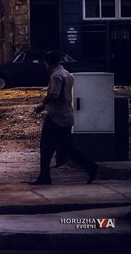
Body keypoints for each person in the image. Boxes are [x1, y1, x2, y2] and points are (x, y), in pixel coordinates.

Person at [28, 51, 98, 185]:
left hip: (55, 117)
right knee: (66, 147)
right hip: (66, 115)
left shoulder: (56, 76)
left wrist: (43, 103)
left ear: (47, 63)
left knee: (46, 148)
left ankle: (44, 176)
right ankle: (90, 167)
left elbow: (55, 94)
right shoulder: (67, 73)